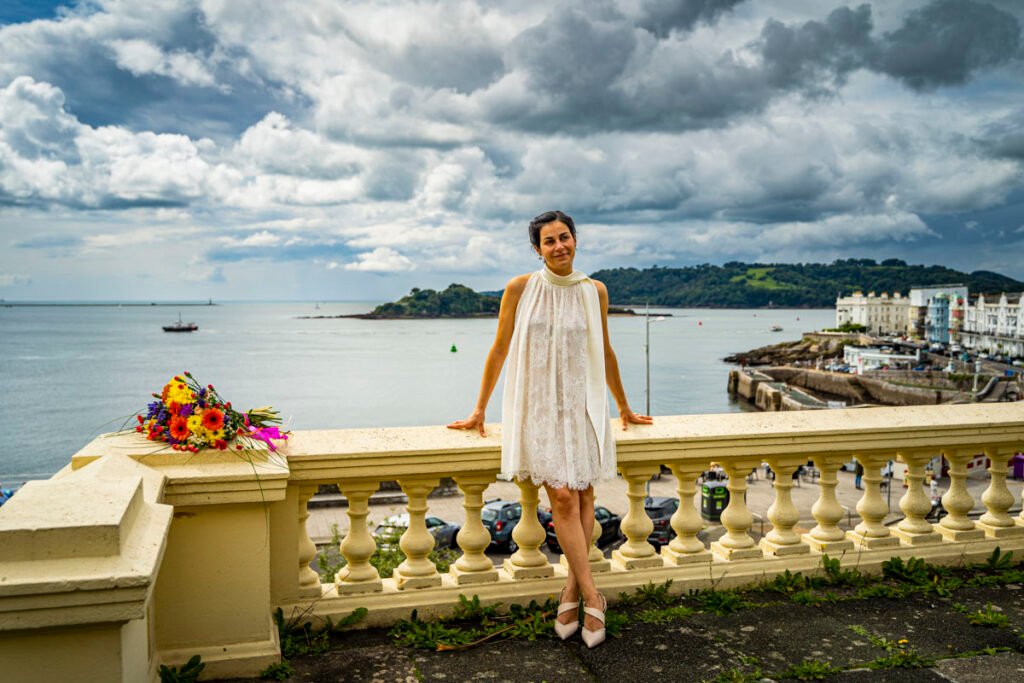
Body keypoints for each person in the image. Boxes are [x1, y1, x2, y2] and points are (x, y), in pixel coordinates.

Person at [448, 211, 652, 648]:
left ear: (576, 240)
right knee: (561, 496)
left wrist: (625, 407)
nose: (559, 246)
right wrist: (479, 409)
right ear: (537, 249)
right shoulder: (521, 289)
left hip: (581, 407)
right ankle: (594, 595)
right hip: (538, 408)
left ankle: (572, 591)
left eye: (565, 237)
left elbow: (606, 352)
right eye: (549, 241)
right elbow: (500, 347)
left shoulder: (593, 291)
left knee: (581, 497)